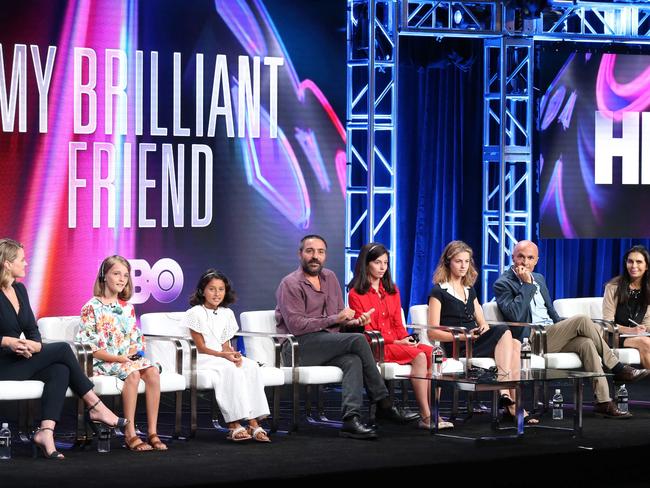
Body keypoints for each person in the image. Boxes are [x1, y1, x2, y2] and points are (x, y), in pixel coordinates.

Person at [0, 238, 127, 459]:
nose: (26, 263)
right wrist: (8, 342)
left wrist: (34, 345)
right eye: (22, 259)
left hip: (19, 358)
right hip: (3, 363)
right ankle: (95, 405)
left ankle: (46, 432)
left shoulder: (19, 290)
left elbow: (32, 329)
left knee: (61, 370)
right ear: (7, 264)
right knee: (62, 350)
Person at [494, 239, 650, 419]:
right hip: (530, 339)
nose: (525, 262)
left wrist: (565, 325)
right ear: (513, 257)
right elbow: (515, 315)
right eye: (521, 257)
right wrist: (526, 285)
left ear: (536, 260)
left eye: (530, 258)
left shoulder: (539, 278)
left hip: (551, 333)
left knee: (586, 344)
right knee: (582, 320)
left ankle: (603, 401)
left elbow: (551, 312)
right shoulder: (503, 283)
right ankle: (617, 367)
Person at [275, 235, 409, 440]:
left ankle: (350, 420)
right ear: (300, 254)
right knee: (357, 340)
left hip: (328, 343)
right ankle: (384, 403)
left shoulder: (330, 278)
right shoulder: (290, 284)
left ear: (325, 256)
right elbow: (297, 325)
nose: (315, 257)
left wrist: (355, 322)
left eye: (320, 252)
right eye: (310, 251)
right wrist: (335, 318)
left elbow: (340, 319)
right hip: (298, 347)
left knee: (352, 360)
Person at [427, 241, 536, 423]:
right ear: (448, 263)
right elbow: (433, 333)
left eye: (467, 261)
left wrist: (483, 328)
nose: (463, 266)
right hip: (459, 345)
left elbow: (482, 322)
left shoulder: (470, 290)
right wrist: (465, 336)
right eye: (458, 261)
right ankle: (504, 392)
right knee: (504, 330)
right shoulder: (439, 291)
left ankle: (512, 404)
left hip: (476, 341)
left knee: (516, 344)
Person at [348, 242, 453, 430]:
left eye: (385, 263)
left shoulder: (392, 290)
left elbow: (398, 322)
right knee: (420, 356)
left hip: (397, 342)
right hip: (377, 345)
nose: (382, 268)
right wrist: (397, 341)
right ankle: (426, 416)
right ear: (366, 264)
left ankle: (434, 412)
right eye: (377, 263)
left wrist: (406, 339)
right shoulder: (356, 293)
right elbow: (368, 330)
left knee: (435, 354)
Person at [77, 255, 167, 451]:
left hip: (125, 359)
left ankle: (153, 432)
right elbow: (91, 348)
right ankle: (130, 432)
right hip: (103, 362)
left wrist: (132, 352)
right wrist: (120, 358)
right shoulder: (90, 307)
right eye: (116, 274)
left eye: (125, 275)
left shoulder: (128, 308)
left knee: (152, 371)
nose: (121, 279)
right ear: (103, 275)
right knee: (133, 373)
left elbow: (135, 340)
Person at [181, 269, 271, 442]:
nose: (217, 294)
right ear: (202, 290)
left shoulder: (227, 313)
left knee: (250, 366)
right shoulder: (194, 313)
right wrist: (225, 357)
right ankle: (233, 424)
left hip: (221, 356)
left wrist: (234, 355)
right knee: (230, 369)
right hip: (201, 358)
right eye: (212, 289)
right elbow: (201, 348)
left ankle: (253, 422)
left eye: (221, 289)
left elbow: (225, 346)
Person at [603, 245, 650, 368]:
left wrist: (645, 329)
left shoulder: (648, 290)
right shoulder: (613, 287)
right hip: (615, 337)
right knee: (645, 342)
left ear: (646, 266)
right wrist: (631, 330)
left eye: (639, 262)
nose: (634, 266)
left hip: (639, 336)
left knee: (645, 342)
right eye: (630, 261)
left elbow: (647, 323)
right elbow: (607, 323)